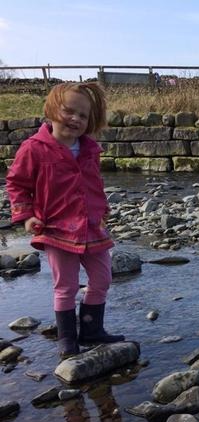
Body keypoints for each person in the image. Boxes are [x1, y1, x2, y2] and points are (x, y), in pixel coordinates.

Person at [6, 82, 124, 358]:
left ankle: (92, 330)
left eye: (82, 115)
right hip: (56, 227)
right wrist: (26, 216)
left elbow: (94, 183)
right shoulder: (34, 148)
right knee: (66, 286)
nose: (75, 119)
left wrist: (102, 209)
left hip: (91, 226)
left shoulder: (89, 149)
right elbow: (17, 184)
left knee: (102, 278)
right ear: (51, 110)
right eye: (69, 111)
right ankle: (67, 339)